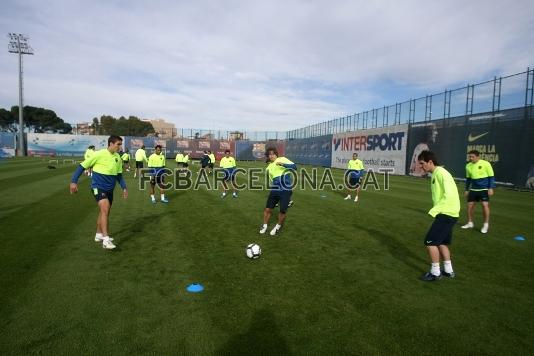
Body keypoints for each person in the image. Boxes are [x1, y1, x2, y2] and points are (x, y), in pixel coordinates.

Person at [70, 136, 128, 250]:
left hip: (110, 189)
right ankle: (106, 240)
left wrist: (124, 187)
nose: (120, 146)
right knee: (105, 208)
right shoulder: (99, 154)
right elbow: (82, 166)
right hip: (98, 187)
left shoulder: (118, 157)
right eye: (118, 144)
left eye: (120, 144)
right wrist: (73, 181)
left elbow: (119, 175)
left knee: (104, 212)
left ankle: (98, 234)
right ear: (110, 144)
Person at [417, 150, 460, 281]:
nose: (420, 166)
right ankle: (448, 270)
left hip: (446, 213)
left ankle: (435, 272)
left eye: (422, 163)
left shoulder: (441, 173)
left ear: (430, 162)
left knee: (429, 242)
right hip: (448, 213)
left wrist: (434, 210)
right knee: (441, 243)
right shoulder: (436, 173)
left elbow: (450, 195)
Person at [260, 148, 297, 236]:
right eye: (270, 154)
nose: (271, 155)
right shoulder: (268, 168)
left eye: (273, 154)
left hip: (285, 189)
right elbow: (272, 180)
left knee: (282, 211)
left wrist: (283, 164)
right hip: (275, 189)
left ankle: (278, 227)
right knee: (267, 209)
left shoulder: (282, 159)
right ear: (268, 156)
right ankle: (264, 225)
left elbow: (294, 167)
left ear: (276, 154)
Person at [461, 150, 495, 234]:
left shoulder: (486, 164)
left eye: (473, 157)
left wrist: (490, 188)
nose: (471, 158)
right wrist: (466, 189)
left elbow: (491, 177)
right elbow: (468, 179)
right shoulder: (468, 166)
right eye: (470, 157)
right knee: (469, 206)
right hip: (473, 189)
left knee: (484, 205)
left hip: (484, 189)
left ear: (478, 157)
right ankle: (470, 223)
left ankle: (486, 224)